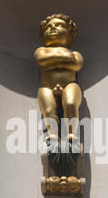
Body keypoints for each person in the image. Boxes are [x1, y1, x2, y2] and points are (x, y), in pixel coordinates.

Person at [35, 13, 83, 143]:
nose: (53, 28)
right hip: (47, 87)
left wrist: (51, 62)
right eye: (49, 27)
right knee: (49, 109)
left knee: (71, 104)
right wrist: (65, 59)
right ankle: (53, 135)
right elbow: (41, 60)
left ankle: (71, 134)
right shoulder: (41, 50)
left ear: (70, 35)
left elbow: (76, 64)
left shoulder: (75, 53)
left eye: (59, 25)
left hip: (69, 85)